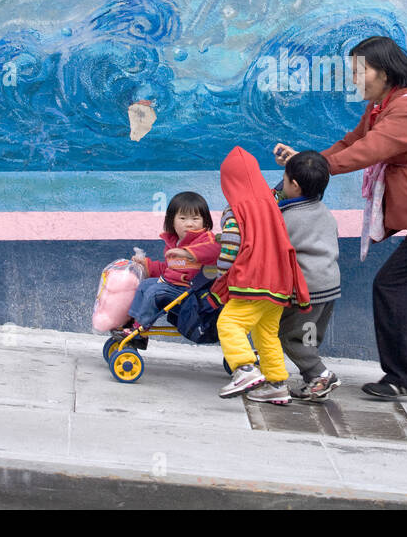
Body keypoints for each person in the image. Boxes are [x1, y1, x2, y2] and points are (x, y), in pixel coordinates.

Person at [275, 36, 407, 403]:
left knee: (390, 289)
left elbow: (368, 151)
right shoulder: (381, 107)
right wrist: (306, 161)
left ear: (385, 72)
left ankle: (400, 377)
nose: (355, 79)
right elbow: (349, 143)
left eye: (361, 71)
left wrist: (309, 167)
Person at [213, 146, 311, 404]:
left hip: (252, 280)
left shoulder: (236, 208)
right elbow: (278, 191)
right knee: (265, 333)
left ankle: (244, 369)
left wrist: (223, 274)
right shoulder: (271, 202)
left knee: (229, 324)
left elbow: (232, 242)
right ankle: (277, 383)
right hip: (280, 281)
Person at [272, 151, 343, 400]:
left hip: (306, 290)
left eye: (285, 177)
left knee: (291, 337)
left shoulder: (287, 218)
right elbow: (287, 192)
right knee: (310, 336)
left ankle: (320, 374)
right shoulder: (322, 209)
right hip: (329, 285)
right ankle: (314, 383)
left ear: (295, 185)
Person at [122, 192, 220, 339]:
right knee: (145, 286)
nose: (189, 223)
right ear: (172, 221)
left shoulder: (206, 239)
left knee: (154, 292)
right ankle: (131, 322)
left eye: (195, 218)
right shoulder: (174, 243)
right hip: (170, 285)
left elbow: (215, 251)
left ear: (205, 221)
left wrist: (187, 253)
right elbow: (168, 269)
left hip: (190, 293)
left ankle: (140, 329)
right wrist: (147, 265)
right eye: (182, 218)